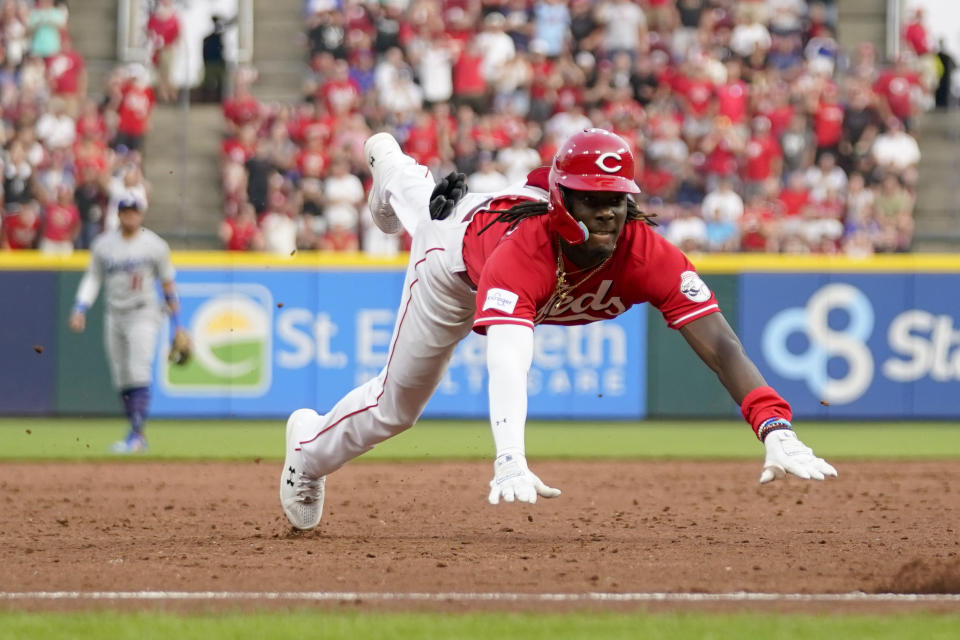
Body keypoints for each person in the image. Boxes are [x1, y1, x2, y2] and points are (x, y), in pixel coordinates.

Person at [279, 129, 837, 530]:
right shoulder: (525, 255)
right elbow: (507, 361)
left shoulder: (649, 255)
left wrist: (775, 427)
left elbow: (721, 344)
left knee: (424, 200)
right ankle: (307, 450)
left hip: (498, 210)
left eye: (617, 200)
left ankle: (393, 168)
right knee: (395, 409)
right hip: (454, 265)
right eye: (593, 200)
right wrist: (510, 458)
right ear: (561, 197)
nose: (609, 213)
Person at [68, 199, 179, 453]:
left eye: (134, 211)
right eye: (125, 211)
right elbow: (93, 277)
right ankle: (135, 431)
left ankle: (137, 435)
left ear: (141, 214)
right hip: (114, 314)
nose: (130, 216)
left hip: (144, 312)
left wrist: (177, 325)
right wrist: (80, 307)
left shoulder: (155, 245)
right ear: (118, 214)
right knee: (122, 376)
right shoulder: (103, 245)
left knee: (138, 370)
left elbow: (168, 283)